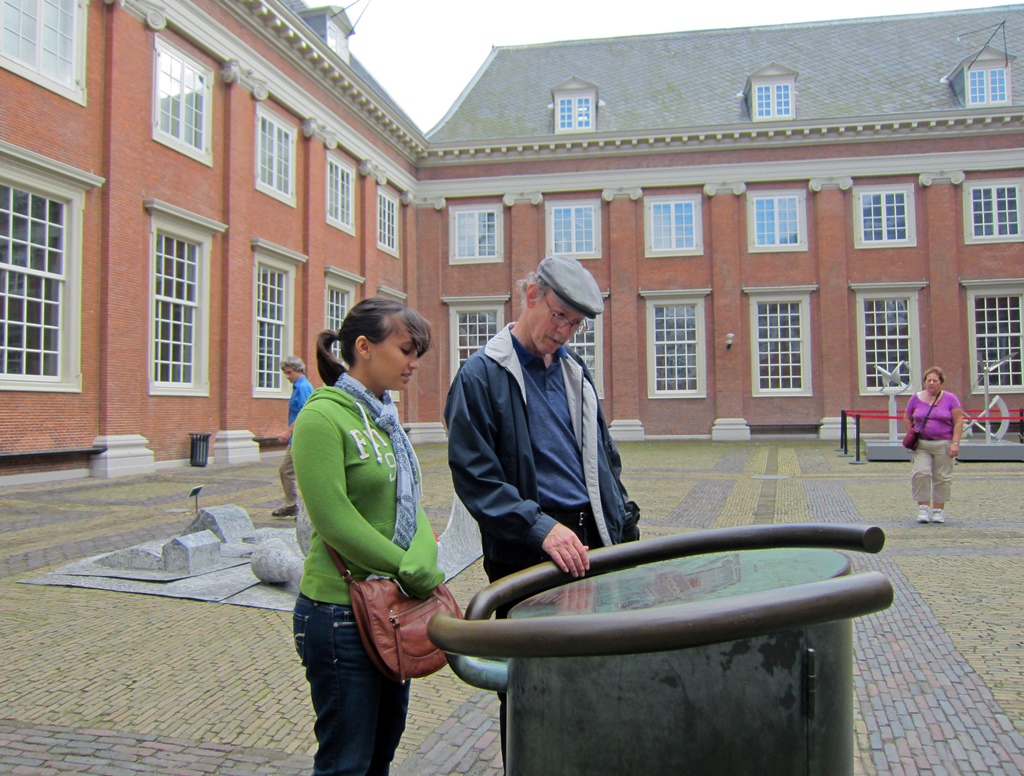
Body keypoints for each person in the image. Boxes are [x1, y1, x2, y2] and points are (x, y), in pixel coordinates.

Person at [443, 255, 639, 761]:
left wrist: (622, 528)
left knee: (593, 678)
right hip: (529, 554)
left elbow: (603, 461)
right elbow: (477, 479)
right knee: (531, 688)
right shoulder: (480, 376)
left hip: (590, 548)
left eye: (575, 323)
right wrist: (538, 527)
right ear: (530, 295)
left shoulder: (576, 372)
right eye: (558, 316)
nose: (565, 331)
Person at [290, 298, 445, 776]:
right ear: (364, 347)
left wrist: (424, 559)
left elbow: (409, 500)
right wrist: (404, 566)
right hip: (340, 614)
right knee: (345, 763)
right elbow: (333, 519)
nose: (414, 364)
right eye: (405, 350)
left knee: (380, 757)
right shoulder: (322, 417)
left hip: (389, 611)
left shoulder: (385, 419)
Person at [904, 366, 963, 524]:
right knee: (920, 473)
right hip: (922, 444)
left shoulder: (951, 399)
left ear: (941, 383)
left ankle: (938, 510)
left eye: (934, 380)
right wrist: (911, 433)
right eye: (928, 380)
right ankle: (923, 508)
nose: (931, 383)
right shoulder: (915, 398)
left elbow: (958, 422)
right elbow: (907, 416)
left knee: (942, 477)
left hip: (943, 443)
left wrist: (955, 443)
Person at [273, 356, 314, 518]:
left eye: (290, 373)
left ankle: (295, 506)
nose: (288, 377)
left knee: (287, 471)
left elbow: (305, 413)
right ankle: (294, 505)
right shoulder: (299, 387)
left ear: (299, 370)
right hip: (297, 438)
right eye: (285, 373)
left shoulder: (303, 387)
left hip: (300, 438)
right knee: (291, 472)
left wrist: (288, 432)